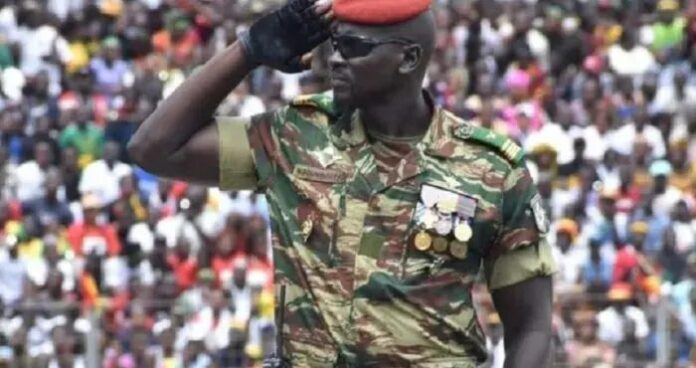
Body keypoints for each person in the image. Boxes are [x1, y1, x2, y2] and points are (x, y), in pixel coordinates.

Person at [128, 0, 556, 366]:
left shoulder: (491, 169)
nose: (335, 59)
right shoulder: (294, 136)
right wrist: (248, 48)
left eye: (353, 48)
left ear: (408, 59)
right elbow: (153, 148)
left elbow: (531, 326)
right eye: (334, 44)